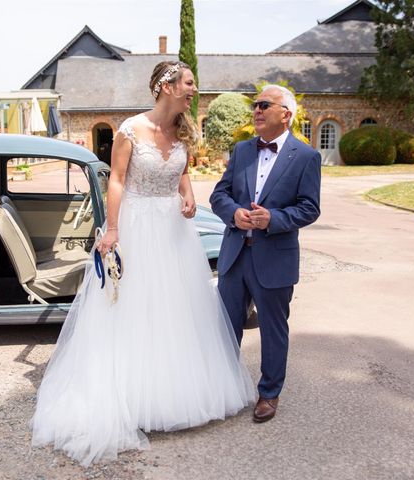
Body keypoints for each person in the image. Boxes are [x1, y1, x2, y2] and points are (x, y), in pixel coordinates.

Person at [31, 61, 254, 466]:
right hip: (136, 225)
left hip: (173, 229)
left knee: (176, 308)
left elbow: (181, 169)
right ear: (165, 86)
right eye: (188, 84)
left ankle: (176, 393)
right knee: (135, 307)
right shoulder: (130, 130)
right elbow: (116, 180)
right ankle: (134, 397)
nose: (193, 90)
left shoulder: (183, 130)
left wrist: (187, 194)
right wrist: (111, 229)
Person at [210, 85, 321, 423]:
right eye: (255, 105)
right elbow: (219, 194)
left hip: (274, 257)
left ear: (285, 114)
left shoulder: (306, 157)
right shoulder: (242, 150)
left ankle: (269, 393)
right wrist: (233, 213)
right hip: (234, 255)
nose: (256, 110)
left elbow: (309, 208)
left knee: (273, 329)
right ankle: (224, 388)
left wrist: (274, 219)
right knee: (226, 327)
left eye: (263, 105)